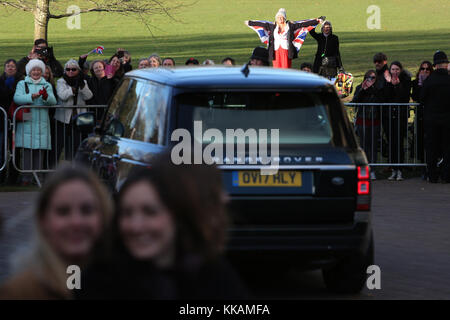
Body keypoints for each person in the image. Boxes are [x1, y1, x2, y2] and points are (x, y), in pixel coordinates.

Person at [77, 153, 249, 299]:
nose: (135, 226)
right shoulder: (97, 279)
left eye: (150, 212)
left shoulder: (212, 274)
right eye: (126, 213)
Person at [0, 166, 113, 299]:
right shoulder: (19, 293)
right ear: (43, 220)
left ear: (103, 215)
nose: (76, 222)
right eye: (63, 211)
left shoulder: (125, 284)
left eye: (86, 210)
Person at [12, 59, 56, 185]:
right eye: (33, 70)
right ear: (29, 71)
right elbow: (17, 98)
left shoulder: (46, 85)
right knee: (27, 151)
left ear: (42, 72)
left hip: (42, 122)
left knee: (39, 151)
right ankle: (26, 178)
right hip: (27, 120)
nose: (36, 72)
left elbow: (53, 102)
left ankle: (38, 178)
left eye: (38, 70)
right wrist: (32, 97)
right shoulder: (22, 84)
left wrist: (46, 97)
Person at [246, 9, 324, 68]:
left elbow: (303, 24)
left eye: (282, 17)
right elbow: (261, 24)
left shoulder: (290, 25)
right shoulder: (272, 26)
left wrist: (317, 21)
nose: (280, 19)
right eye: (278, 17)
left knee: (285, 68)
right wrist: (250, 23)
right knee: (276, 69)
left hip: (286, 51)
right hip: (275, 51)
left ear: (284, 18)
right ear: (276, 18)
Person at [420, 50, 450, 183]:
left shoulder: (429, 80)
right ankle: (447, 175)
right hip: (448, 119)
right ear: (446, 64)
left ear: (436, 65)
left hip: (432, 119)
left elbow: (422, 99)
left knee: (431, 149)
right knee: (447, 148)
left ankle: (432, 175)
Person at [55, 59, 93, 162]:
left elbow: (89, 96)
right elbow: (62, 96)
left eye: (73, 69)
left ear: (78, 71)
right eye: (68, 69)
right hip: (63, 119)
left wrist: (82, 86)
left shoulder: (83, 82)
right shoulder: (61, 81)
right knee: (59, 146)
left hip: (79, 119)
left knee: (75, 146)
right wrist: (72, 89)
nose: (70, 71)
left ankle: (74, 169)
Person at [383, 61, 412, 181]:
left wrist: (398, 85)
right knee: (392, 143)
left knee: (399, 143)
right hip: (390, 116)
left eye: (397, 69)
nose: (395, 72)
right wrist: (390, 83)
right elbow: (386, 97)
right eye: (393, 69)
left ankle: (399, 170)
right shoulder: (387, 80)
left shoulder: (405, 80)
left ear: (401, 70)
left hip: (401, 116)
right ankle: (394, 169)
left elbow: (404, 97)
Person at [352, 70, 382, 179]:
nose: (371, 80)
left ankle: (372, 169)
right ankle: (364, 169)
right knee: (364, 146)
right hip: (362, 120)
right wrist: (363, 91)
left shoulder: (378, 88)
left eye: (373, 78)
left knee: (373, 145)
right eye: (369, 77)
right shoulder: (360, 87)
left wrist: (372, 89)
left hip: (375, 120)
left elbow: (381, 100)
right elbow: (355, 101)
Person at [0, 59, 23, 184]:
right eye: (8, 66)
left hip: (16, 119)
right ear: (4, 68)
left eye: (13, 66)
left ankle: (13, 177)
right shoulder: (1, 80)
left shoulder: (20, 81)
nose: (10, 68)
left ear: (16, 69)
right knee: (2, 149)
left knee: (15, 150)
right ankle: (1, 176)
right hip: (2, 119)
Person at [411, 61, 433, 167]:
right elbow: (416, 97)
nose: (424, 71)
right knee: (419, 138)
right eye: (422, 69)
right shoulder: (416, 82)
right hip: (420, 115)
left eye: (427, 69)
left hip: (431, 115)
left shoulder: (433, 82)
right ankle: (422, 164)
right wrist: (420, 84)